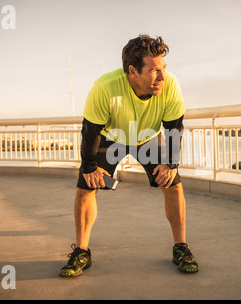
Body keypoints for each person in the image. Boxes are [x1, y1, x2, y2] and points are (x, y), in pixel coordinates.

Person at [59, 34, 198, 277]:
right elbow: (90, 130)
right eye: (155, 71)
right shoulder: (104, 87)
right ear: (133, 71)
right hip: (111, 136)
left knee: (173, 184)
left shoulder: (170, 84)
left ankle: (181, 247)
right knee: (85, 187)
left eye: (164, 68)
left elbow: (174, 126)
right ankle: (82, 251)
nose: (162, 77)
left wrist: (171, 163)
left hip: (146, 135)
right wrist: (89, 167)